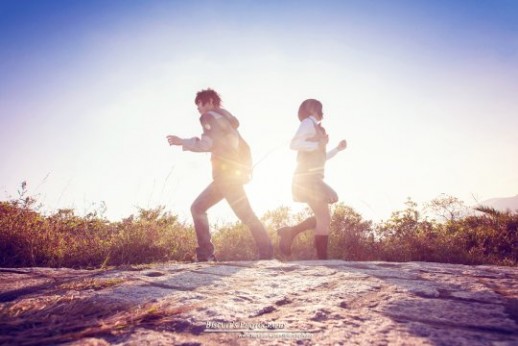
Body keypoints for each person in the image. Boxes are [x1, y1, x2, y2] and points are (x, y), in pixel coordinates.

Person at [167, 88, 273, 261]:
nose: (198, 109)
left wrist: (182, 142)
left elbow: (206, 144)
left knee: (201, 209)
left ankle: (207, 254)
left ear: (209, 101)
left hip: (225, 177)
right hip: (231, 175)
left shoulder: (208, 117)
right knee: (234, 212)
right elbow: (242, 147)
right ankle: (265, 252)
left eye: (199, 104)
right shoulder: (228, 121)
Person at [277, 99, 347, 260]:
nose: (322, 109)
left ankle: (291, 232)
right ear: (310, 109)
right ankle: (322, 259)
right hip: (306, 178)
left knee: (323, 217)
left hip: (309, 178)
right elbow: (294, 144)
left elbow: (322, 157)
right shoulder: (308, 122)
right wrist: (318, 144)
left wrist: (337, 149)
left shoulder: (315, 126)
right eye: (318, 107)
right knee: (323, 217)